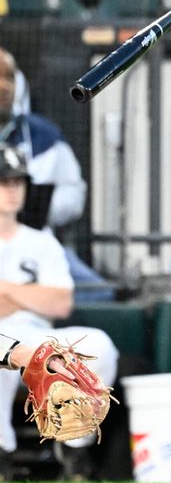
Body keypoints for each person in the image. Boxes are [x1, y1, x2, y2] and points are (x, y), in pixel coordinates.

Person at [0, 144, 118, 482]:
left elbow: (60, 303)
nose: (12, 190)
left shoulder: (42, 242)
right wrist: (32, 295)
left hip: (37, 332)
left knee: (99, 344)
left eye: (18, 182)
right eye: (4, 182)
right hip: (3, 339)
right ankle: (2, 453)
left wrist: (7, 290)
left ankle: (74, 449)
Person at [0, 47, 110, 302]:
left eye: (8, 77)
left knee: (100, 294)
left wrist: (37, 208)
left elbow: (73, 193)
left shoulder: (44, 135)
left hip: (35, 240)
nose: (4, 86)